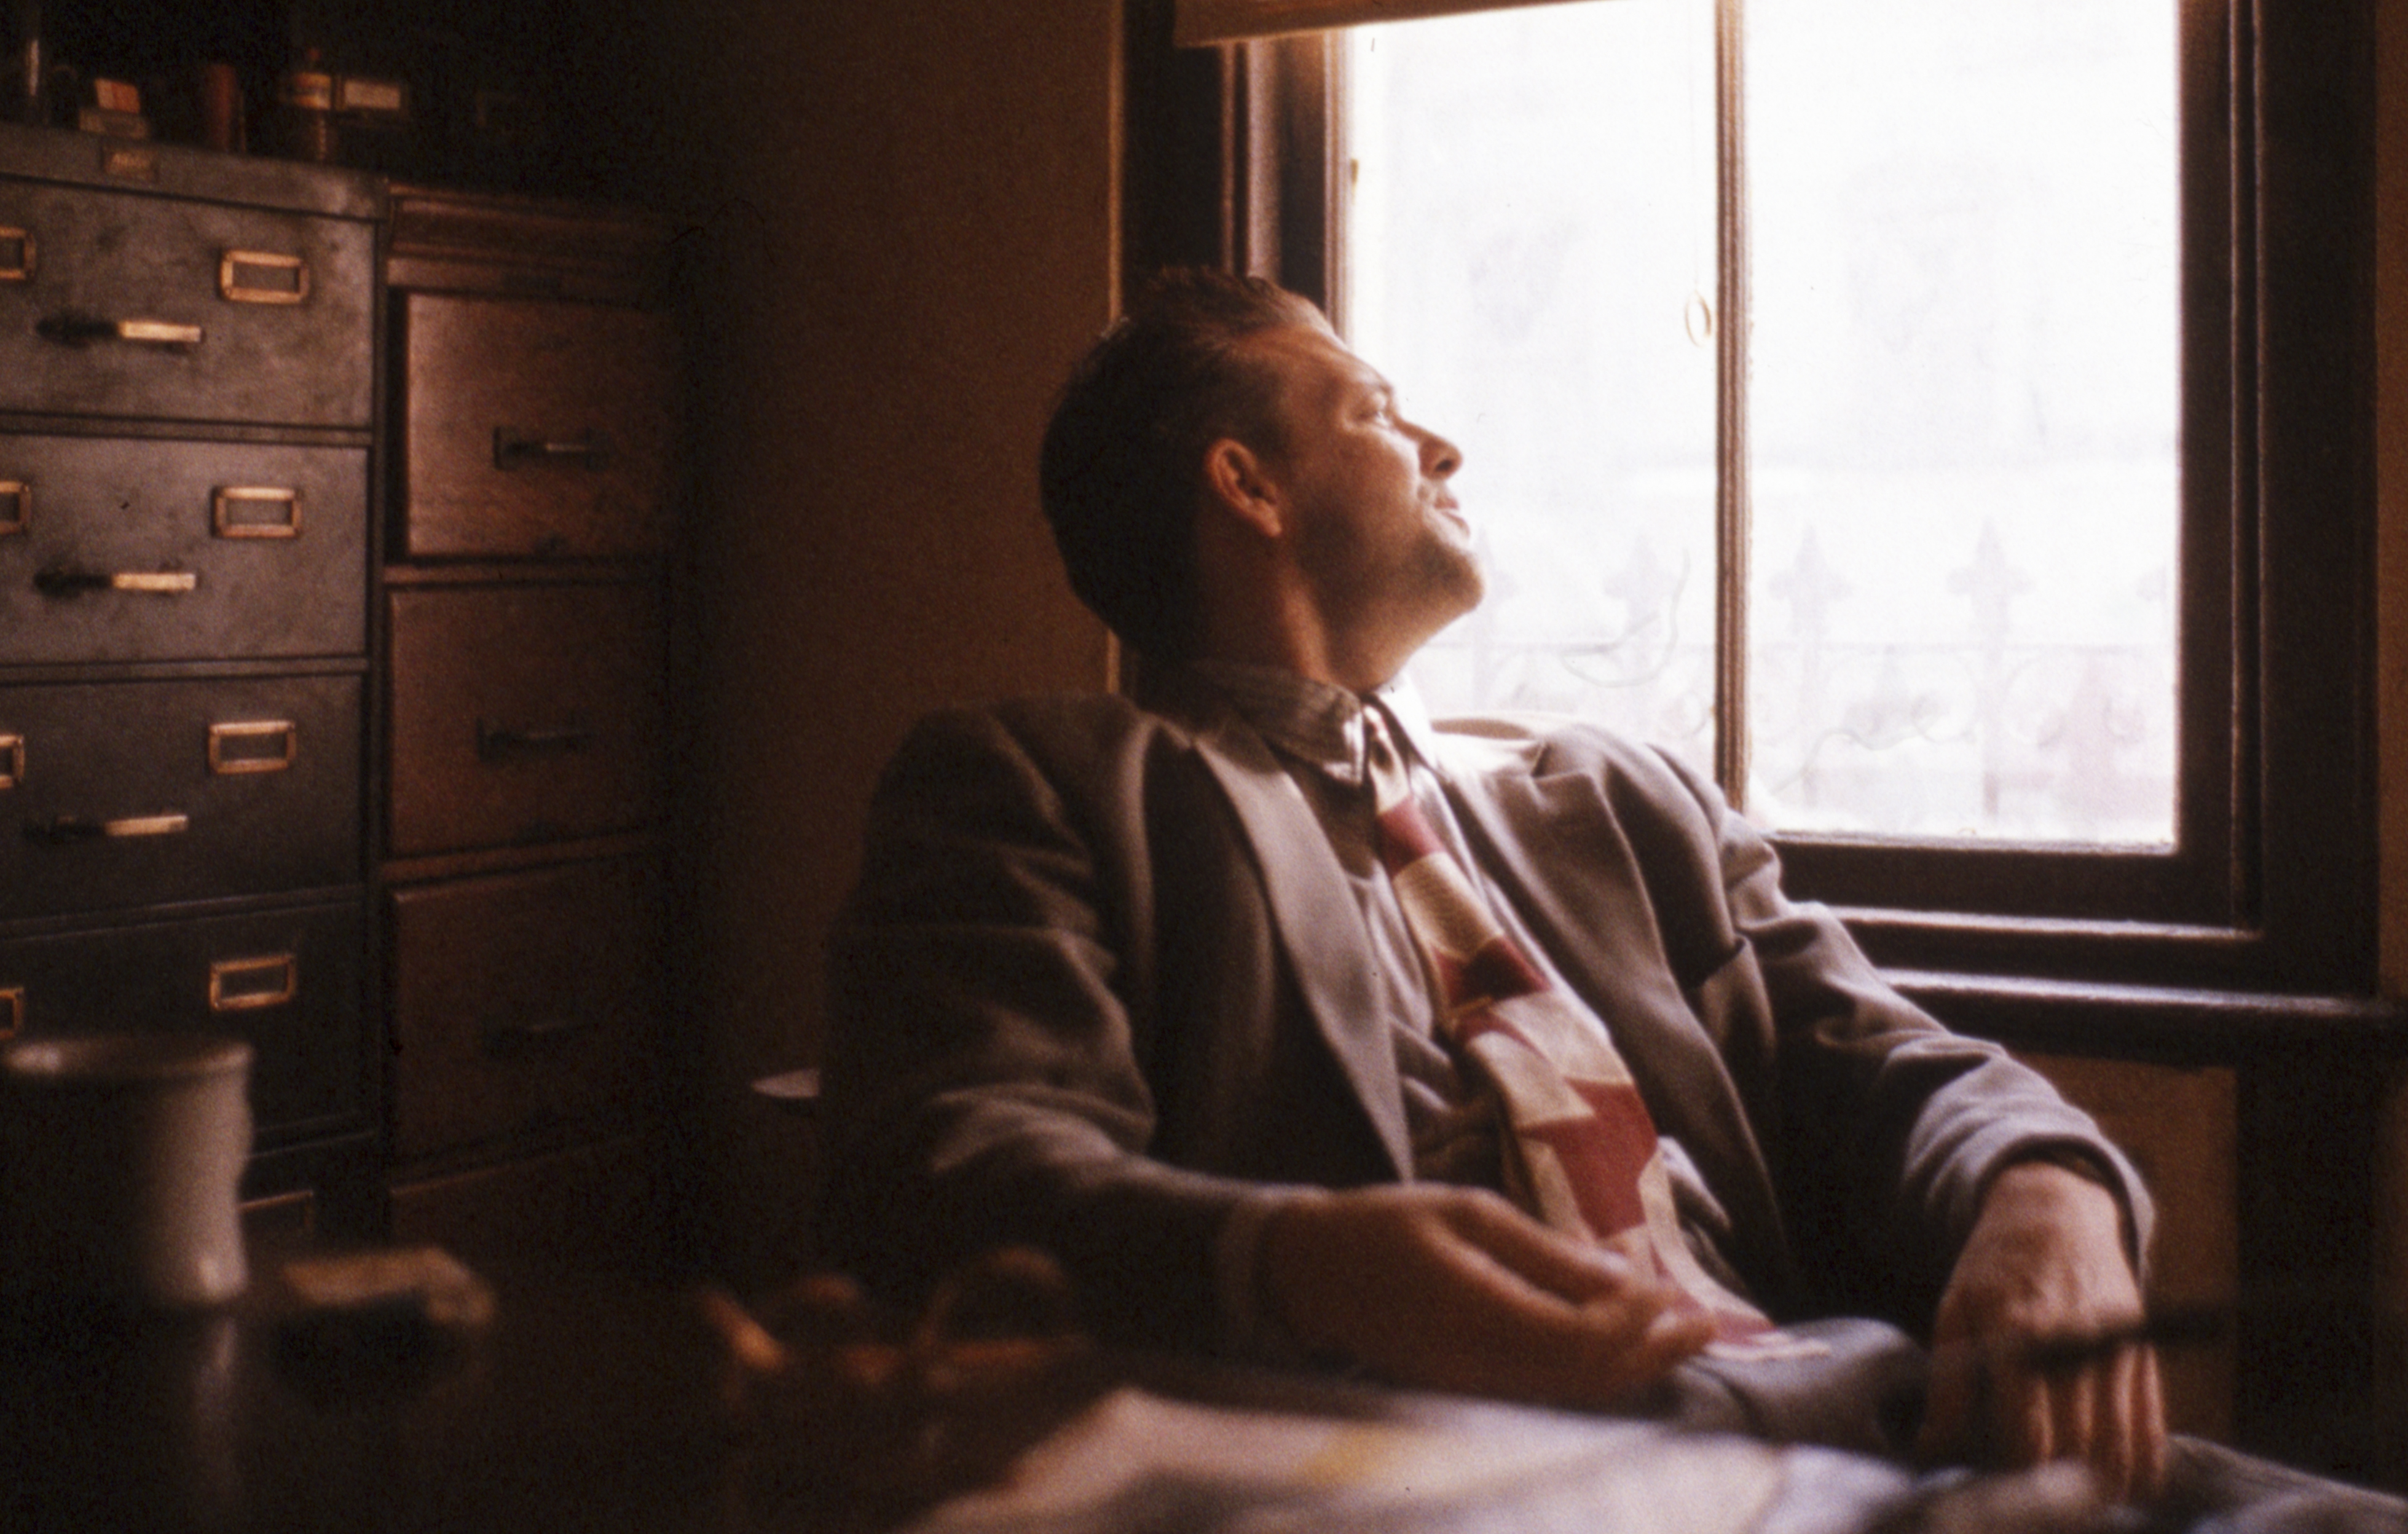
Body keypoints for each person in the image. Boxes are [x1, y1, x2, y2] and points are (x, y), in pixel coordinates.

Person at [819, 268, 2169, 1498]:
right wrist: (1302, 1266)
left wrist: (2048, 1188)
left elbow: (1883, 1066)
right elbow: (952, 1171)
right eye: (1380, 410)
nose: (1445, 448)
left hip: (1853, 1432)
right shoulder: (1036, 785)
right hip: (1428, 1475)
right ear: (1251, 485)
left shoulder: (1622, 797)